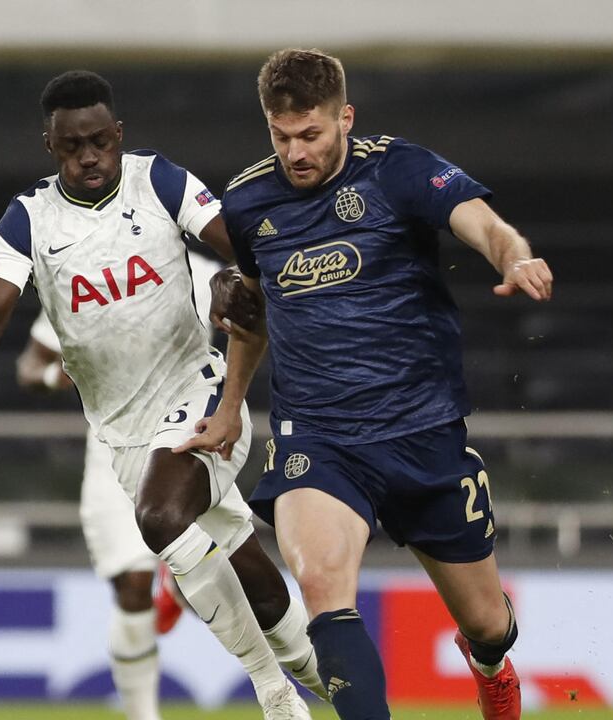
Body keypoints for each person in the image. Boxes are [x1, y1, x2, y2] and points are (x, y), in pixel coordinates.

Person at [180, 49, 555, 720]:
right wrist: (231, 407)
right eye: (281, 136)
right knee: (322, 583)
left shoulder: (397, 169)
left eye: (311, 134)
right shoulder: (248, 201)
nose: (295, 153)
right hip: (319, 437)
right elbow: (253, 311)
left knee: (487, 623)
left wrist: (515, 257)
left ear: (344, 119)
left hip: (422, 431)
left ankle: (490, 663)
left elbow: (484, 224)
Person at [0, 71, 322, 719]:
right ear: (50, 146)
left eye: (100, 142)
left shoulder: (159, 180)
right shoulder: (28, 219)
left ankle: (273, 691)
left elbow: (243, 248)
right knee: (245, 567)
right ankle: (330, 680)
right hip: (121, 436)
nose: (89, 157)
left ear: (118, 135)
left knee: (160, 518)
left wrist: (233, 279)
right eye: (72, 147)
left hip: (200, 392)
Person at [13, 246, 224, 719]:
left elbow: (253, 323)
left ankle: (179, 587)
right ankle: (142, 714)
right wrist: (50, 376)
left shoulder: (203, 274)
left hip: (185, 444)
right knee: (131, 584)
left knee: (206, 587)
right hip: (113, 450)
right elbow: (28, 365)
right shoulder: (82, 276)